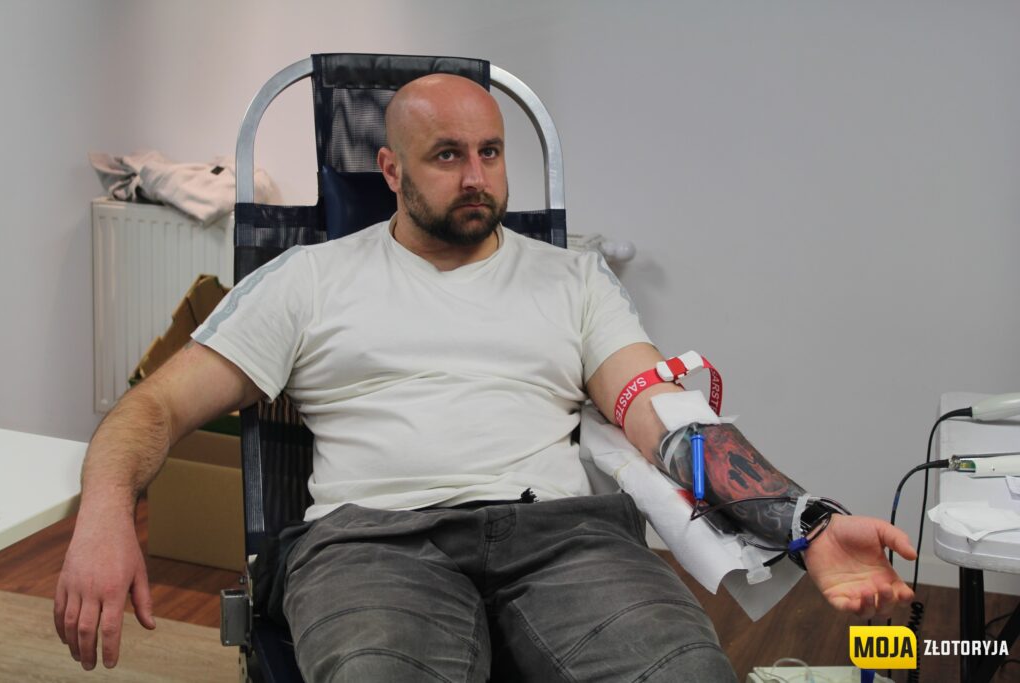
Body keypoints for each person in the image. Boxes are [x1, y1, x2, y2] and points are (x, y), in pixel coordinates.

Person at [55, 74, 917, 681]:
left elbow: (664, 416)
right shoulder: (308, 281)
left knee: (687, 672)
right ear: (390, 171)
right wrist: (104, 510)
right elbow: (155, 404)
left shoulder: (573, 281)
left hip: (565, 540)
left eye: (492, 152)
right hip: (372, 545)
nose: (477, 177)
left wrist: (803, 521)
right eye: (446, 155)